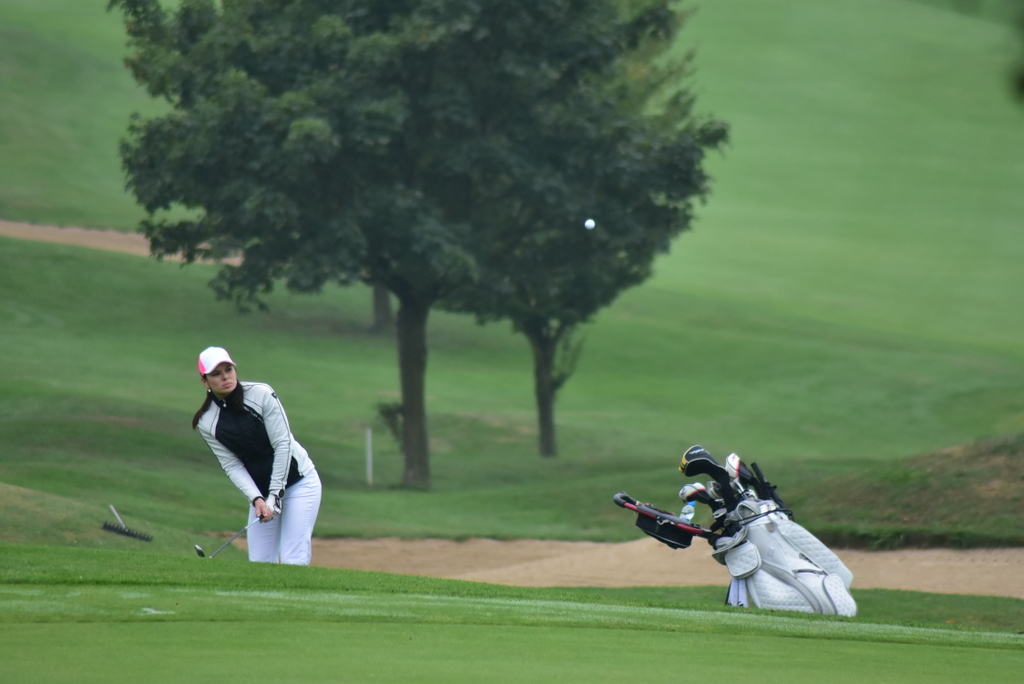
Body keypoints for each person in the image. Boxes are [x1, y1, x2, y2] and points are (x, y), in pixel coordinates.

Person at [192, 346, 322, 565]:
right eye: (216, 373)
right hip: (262, 494)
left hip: (299, 483)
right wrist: (257, 499)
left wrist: (275, 494)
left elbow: (282, 444)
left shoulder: (261, 394)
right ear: (205, 381)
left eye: (228, 369)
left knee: (292, 558)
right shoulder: (206, 421)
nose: (225, 377)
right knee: (260, 562)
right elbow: (232, 465)